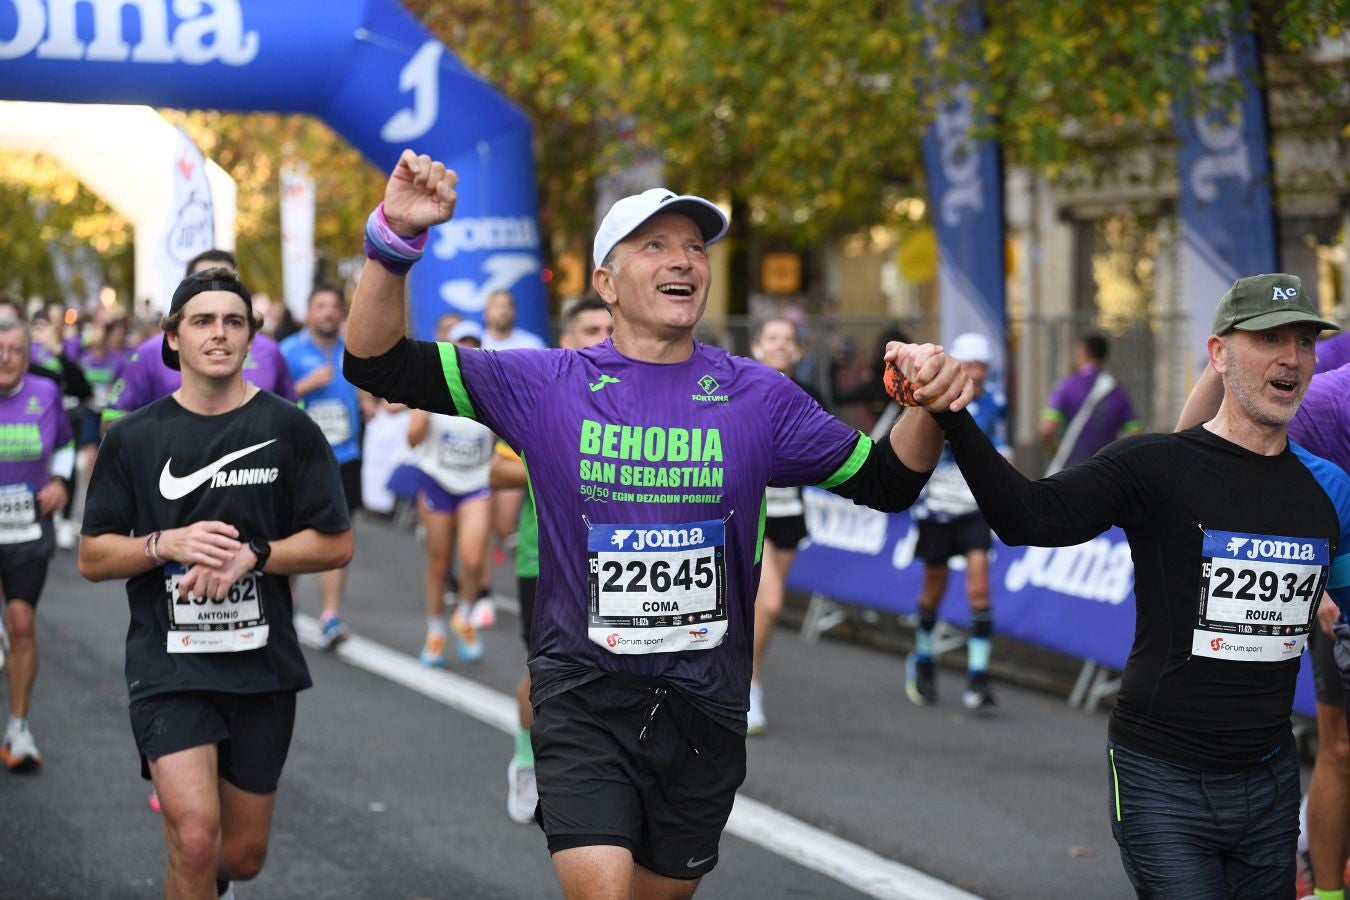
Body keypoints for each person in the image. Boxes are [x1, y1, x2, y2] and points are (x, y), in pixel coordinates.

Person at [342, 151, 971, 899]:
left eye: (695, 248)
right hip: (582, 692)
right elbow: (374, 362)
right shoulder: (546, 384)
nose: (683, 262)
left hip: (704, 706)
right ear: (605, 282)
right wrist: (395, 239)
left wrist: (929, 404)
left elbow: (890, 481)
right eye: (654, 246)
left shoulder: (757, 397)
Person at [901, 272, 1350, 898]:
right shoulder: (1157, 465)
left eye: (1304, 342)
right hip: (1163, 777)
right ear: (1218, 354)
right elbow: (1026, 516)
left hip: (1271, 784)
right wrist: (953, 414)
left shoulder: (1327, 491)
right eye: (1268, 338)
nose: (1291, 359)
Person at [78, 268, 353, 900]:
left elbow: (336, 543)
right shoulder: (133, 438)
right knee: (195, 837)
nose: (220, 334)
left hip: (261, 665)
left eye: (234, 321)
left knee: (240, 854)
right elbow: (92, 556)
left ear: (252, 337)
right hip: (168, 665)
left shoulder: (289, 429)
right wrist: (162, 543)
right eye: (202, 321)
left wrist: (256, 556)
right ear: (172, 339)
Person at [1177, 328, 1350, 900]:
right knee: (1342, 748)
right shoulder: (1329, 393)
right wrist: (1302, 568)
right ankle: (1325, 890)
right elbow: (1198, 453)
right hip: (1334, 575)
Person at [492, 294, 614, 823]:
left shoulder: (653, 394)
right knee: (543, 673)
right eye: (590, 329)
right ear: (567, 340)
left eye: (609, 327)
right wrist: (566, 463)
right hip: (545, 561)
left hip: (616, 562)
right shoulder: (544, 395)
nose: (602, 337)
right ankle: (525, 759)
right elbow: (497, 473)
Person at [904, 331, 1008, 711]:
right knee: (933, 589)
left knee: (979, 589)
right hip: (936, 510)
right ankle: (924, 659)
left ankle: (978, 677)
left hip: (974, 510)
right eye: (971, 365)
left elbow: (1003, 448)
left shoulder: (997, 402)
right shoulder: (935, 398)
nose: (977, 373)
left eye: (983, 365)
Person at [101, 249, 297, 432]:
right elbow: (112, 419)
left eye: (225, 279)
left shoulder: (270, 351)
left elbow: (293, 412)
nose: (215, 288)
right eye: (204, 279)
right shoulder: (149, 352)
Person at [0, 317, 74, 771]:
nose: (3, 357)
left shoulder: (44, 394)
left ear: (27, 357)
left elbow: (65, 442)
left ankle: (19, 726)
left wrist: (61, 481)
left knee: (22, 623)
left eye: (12, 349)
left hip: (28, 532)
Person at [280, 283, 368, 651]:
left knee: (337, 535)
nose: (329, 312)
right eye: (321, 306)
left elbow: (366, 391)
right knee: (293, 536)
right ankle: (288, 606)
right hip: (300, 459)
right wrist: (306, 385)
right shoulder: (288, 352)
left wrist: (368, 403)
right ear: (308, 313)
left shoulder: (354, 350)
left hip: (345, 456)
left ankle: (330, 616)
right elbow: (272, 399)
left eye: (334, 306)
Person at [744, 316, 818, 735]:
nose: (780, 345)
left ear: (798, 350)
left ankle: (744, 672)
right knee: (768, 603)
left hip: (791, 511)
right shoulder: (743, 390)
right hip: (753, 509)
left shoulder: (809, 395)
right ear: (757, 346)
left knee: (761, 610)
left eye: (788, 339)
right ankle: (749, 687)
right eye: (771, 338)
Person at [408, 319, 495, 666]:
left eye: (475, 343)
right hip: (437, 482)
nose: (469, 350)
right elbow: (411, 440)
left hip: (476, 484)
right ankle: (435, 631)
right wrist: (420, 418)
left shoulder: (493, 390)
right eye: (463, 344)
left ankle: (465, 616)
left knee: (473, 559)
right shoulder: (433, 385)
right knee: (440, 562)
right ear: (452, 349)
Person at [1039, 333, 1141, 475]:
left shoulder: (1065, 386)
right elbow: (1135, 434)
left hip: (1069, 473)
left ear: (1082, 352)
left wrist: (1057, 451)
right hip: (1105, 473)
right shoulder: (1118, 392)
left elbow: (1047, 430)